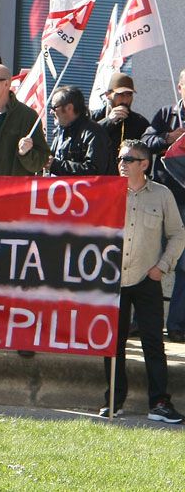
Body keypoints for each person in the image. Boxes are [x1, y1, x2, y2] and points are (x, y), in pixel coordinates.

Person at [100, 140, 185, 423]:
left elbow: (178, 234)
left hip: (148, 278)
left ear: (144, 164)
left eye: (128, 159)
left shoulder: (161, 195)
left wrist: (163, 266)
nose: (122, 163)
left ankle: (159, 402)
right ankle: (113, 399)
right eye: (120, 158)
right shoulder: (106, 191)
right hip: (113, 280)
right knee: (114, 343)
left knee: (153, 343)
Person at [141, 69, 185, 343]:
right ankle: (143, 322)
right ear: (180, 86)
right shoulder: (167, 113)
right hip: (164, 195)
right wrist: (169, 139)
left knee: (183, 266)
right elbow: (146, 142)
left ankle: (177, 325)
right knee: (150, 257)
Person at [90, 73, 149, 176]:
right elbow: (86, 137)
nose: (125, 100)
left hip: (125, 182)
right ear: (108, 95)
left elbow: (146, 154)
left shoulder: (140, 122)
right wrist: (108, 121)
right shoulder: (93, 117)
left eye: (129, 95)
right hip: (97, 180)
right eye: (120, 94)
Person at [47, 85, 111, 176]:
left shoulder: (93, 133)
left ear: (69, 108)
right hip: (60, 189)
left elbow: (94, 170)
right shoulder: (60, 132)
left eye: (54, 107)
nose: (51, 112)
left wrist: (55, 165)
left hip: (82, 190)